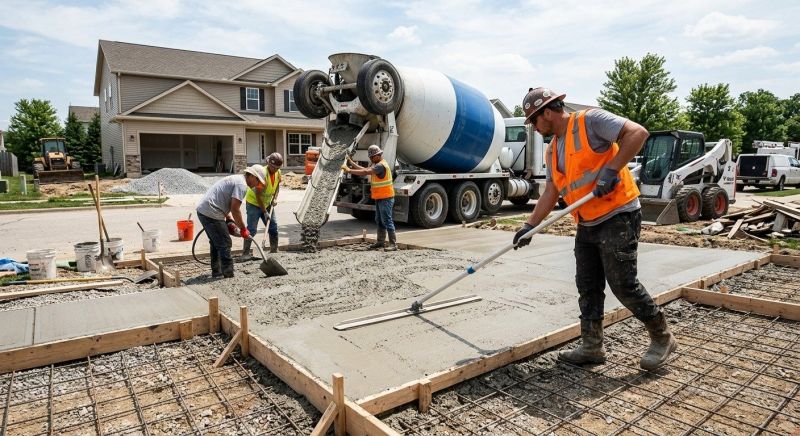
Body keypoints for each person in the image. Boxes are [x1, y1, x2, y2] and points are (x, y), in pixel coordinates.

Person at [513, 87, 676, 371]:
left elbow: (637, 133)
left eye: (534, 121)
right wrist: (529, 226)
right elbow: (551, 190)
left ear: (548, 113)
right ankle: (592, 345)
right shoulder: (553, 149)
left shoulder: (590, 121)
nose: (535, 128)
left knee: (623, 284)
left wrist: (611, 170)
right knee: (587, 286)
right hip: (586, 222)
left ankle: (662, 337)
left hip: (617, 215)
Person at [196, 165, 266, 278]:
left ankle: (217, 272)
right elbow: (235, 209)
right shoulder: (241, 185)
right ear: (252, 176)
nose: (257, 185)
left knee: (216, 243)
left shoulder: (237, 179)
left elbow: (223, 199)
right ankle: (228, 274)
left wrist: (228, 218)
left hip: (205, 210)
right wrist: (243, 229)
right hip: (211, 212)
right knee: (225, 242)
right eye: (258, 181)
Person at [341, 144, 398, 251]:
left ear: (378, 155)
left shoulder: (380, 166)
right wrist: (351, 163)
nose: (370, 159)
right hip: (380, 197)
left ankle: (393, 244)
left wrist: (349, 170)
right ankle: (380, 242)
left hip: (386, 197)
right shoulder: (377, 164)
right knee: (379, 220)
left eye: (372, 157)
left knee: (386, 220)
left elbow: (366, 172)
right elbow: (365, 169)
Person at [240, 153, 283, 260]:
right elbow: (258, 195)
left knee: (273, 227)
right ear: (268, 164)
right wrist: (264, 212)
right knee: (252, 229)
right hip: (254, 203)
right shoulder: (261, 174)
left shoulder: (278, 173)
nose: (275, 169)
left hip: (268, 204)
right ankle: (245, 254)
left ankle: (274, 249)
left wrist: (275, 198)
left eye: (277, 167)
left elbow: (277, 186)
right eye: (273, 167)